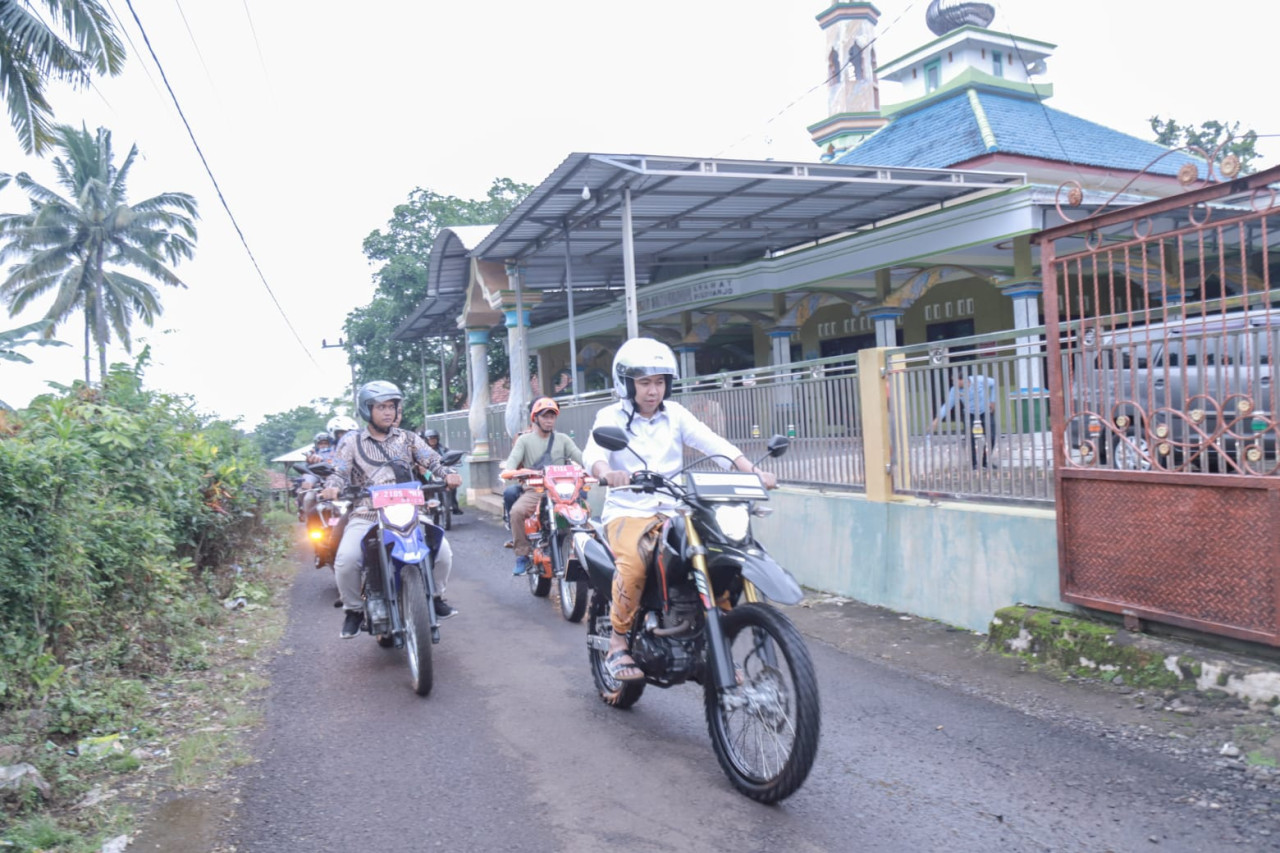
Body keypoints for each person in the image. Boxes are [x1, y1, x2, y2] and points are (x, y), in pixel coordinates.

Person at [583, 338, 777, 682]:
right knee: (634, 566)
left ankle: (712, 644)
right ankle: (616, 643)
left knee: (720, 554)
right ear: (627, 384)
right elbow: (593, 453)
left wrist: (753, 470)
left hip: (674, 509)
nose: (652, 391)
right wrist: (605, 472)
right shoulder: (609, 416)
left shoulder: (676, 415)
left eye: (659, 382)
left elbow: (712, 443)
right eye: (644, 382)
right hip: (629, 510)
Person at [320, 381, 463, 638]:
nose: (388, 412)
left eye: (392, 407)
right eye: (381, 407)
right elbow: (339, 472)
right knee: (346, 560)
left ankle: (437, 596)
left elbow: (432, 460)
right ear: (367, 410)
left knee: (442, 552)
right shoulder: (351, 442)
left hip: (408, 511)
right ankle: (353, 610)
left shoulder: (408, 438)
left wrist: (448, 473)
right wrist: (332, 486)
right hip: (367, 513)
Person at [500, 397, 584, 576]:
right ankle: (522, 555)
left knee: (584, 510)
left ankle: (585, 549)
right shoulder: (524, 441)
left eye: (552, 416)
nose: (549, 420)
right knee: (516, 512)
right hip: (537, 490)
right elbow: (512, 462)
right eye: (545, 416)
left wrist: (594, 467)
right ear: (535, 418)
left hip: (563, 489)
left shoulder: (563, 439)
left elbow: (579, 456)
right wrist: (510, 470)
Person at [930, 371, 998, 470]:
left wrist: (993, 401)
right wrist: (936, 420)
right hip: (969, 414)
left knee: (991, 437)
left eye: (955, 381)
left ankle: (985, 462)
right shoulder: (955, 390)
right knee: (970, 438)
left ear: (963, 380)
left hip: (985, 412)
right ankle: (973, 464)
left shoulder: (978, 380)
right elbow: (948, 405)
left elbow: (994, 383)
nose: (953, 384)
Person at [421, 429, 463, 515]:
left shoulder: (443, 449)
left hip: (441, 471)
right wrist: (421, 467)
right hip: (427, 472)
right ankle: (423, 506)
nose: (432, 440)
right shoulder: (421, 450)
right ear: (426, 440)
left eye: (434, 438)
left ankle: (454, 506)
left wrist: (455, 461)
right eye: (430, 439)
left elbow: (450, 457)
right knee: (422, 485)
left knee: (452, 485)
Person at [297, 431, 334, 523]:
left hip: (334, 481)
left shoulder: (336, 453)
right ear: (317, 445)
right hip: (317, 481)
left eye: (325, 443)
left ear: (330, 443)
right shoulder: (311, 454)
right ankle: (308, 518)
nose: (323, 445)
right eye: (321, 443)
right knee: (308, 497)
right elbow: (306, 469)